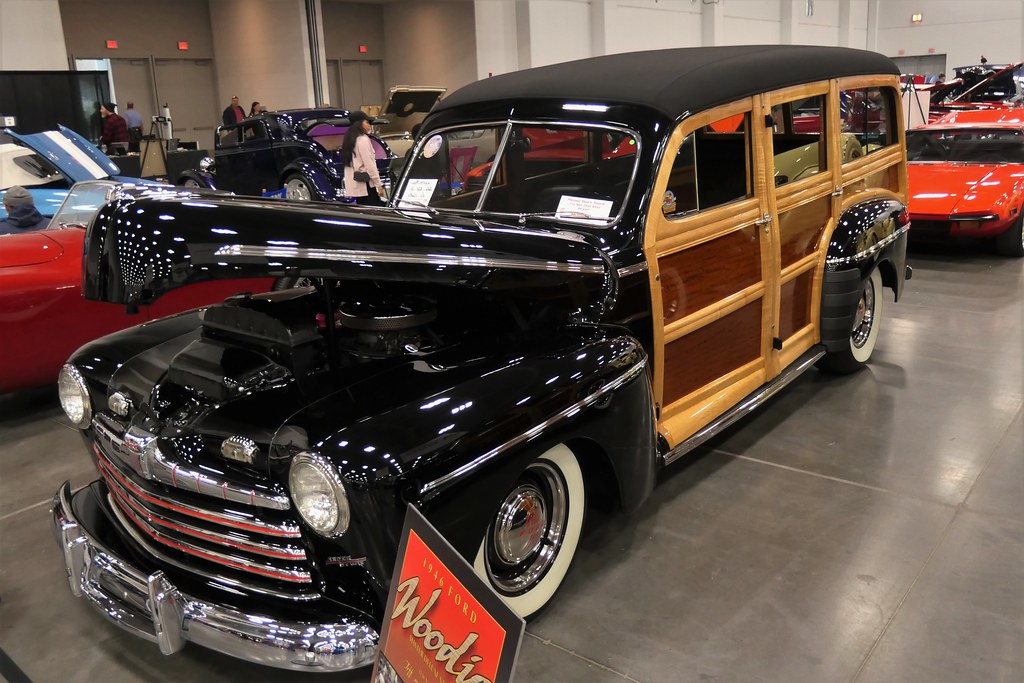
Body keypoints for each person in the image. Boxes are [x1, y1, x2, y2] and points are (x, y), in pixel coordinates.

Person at [340, 110, 385, 206]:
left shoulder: (349, 140)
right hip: (366, 184)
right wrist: (378, 184)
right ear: (359, 123)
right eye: (367, 122)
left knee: (362, 209)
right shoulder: (363, 139)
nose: (369, 125)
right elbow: (369, 164)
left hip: (357, 185)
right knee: (374, 209)